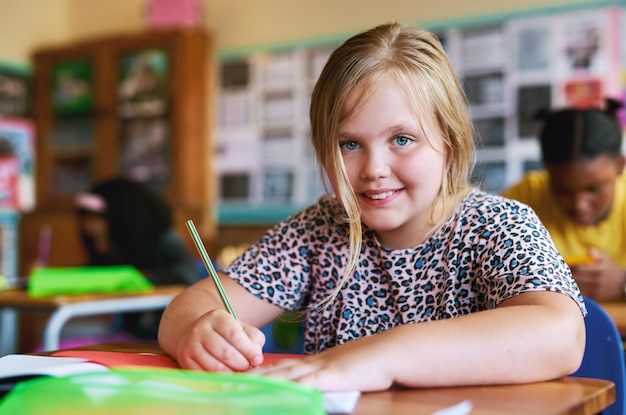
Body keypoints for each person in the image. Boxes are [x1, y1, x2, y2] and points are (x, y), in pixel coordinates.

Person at [158, 22, 585, 392]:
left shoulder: (498, 225)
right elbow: (187, 308)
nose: (374, 169)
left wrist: (384, 355)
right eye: (349, 144)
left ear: (449, 145)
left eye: (402, 139)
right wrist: (198, 330)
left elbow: (561, 335)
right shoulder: (320, 230)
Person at [502, 99, 625, 302]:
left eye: (593, 189)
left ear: (620, 164)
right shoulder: (522, 201)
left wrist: (622, 283)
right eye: (563, 190)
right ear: (547, 170)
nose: (579, 205)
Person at [75, 176, 199, 339]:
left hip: (164, 332)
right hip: (130, 331)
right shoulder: (118, 245)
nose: (88, 224)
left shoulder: (167, 242)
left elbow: (184, 280)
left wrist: (138, 278)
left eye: (97, 218)